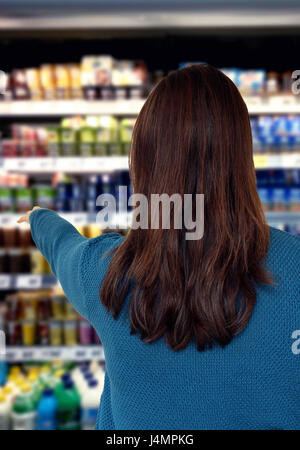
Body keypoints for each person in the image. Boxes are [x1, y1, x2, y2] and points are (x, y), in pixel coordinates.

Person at [18, 64, 300, 430]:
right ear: (242, 161)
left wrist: (40, 218)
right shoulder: (294, 267)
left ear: (146, 165)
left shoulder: (105, 274)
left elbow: (63, 247)